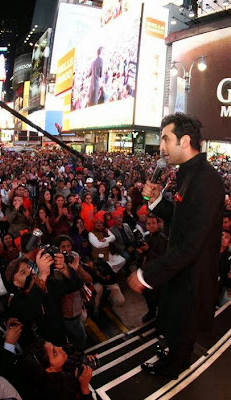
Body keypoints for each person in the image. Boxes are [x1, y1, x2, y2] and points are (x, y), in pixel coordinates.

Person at [128, 113, 224, 379]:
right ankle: (174, 360)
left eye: (165, 139)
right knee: (174, 326)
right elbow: (182, 220)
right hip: (182, 270)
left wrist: (147, 275)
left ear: (185, 141)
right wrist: (159, 201)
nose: (161, 147)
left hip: (192, 275)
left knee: (183, 329)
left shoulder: (206, 180)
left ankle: (173, 370)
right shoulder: (187, 174)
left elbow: (192, 243)